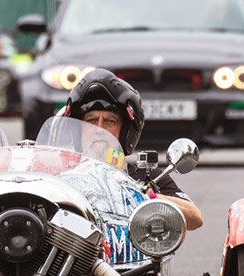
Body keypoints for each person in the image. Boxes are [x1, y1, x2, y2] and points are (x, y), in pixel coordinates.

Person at [62, 68, 203, 230]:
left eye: (110, 121)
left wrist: (146, 197)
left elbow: (195, 218)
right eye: (91, 120)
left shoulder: (146, 177)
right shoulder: (62, 175)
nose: (99, 128)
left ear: (126, 132)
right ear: (77, 128)